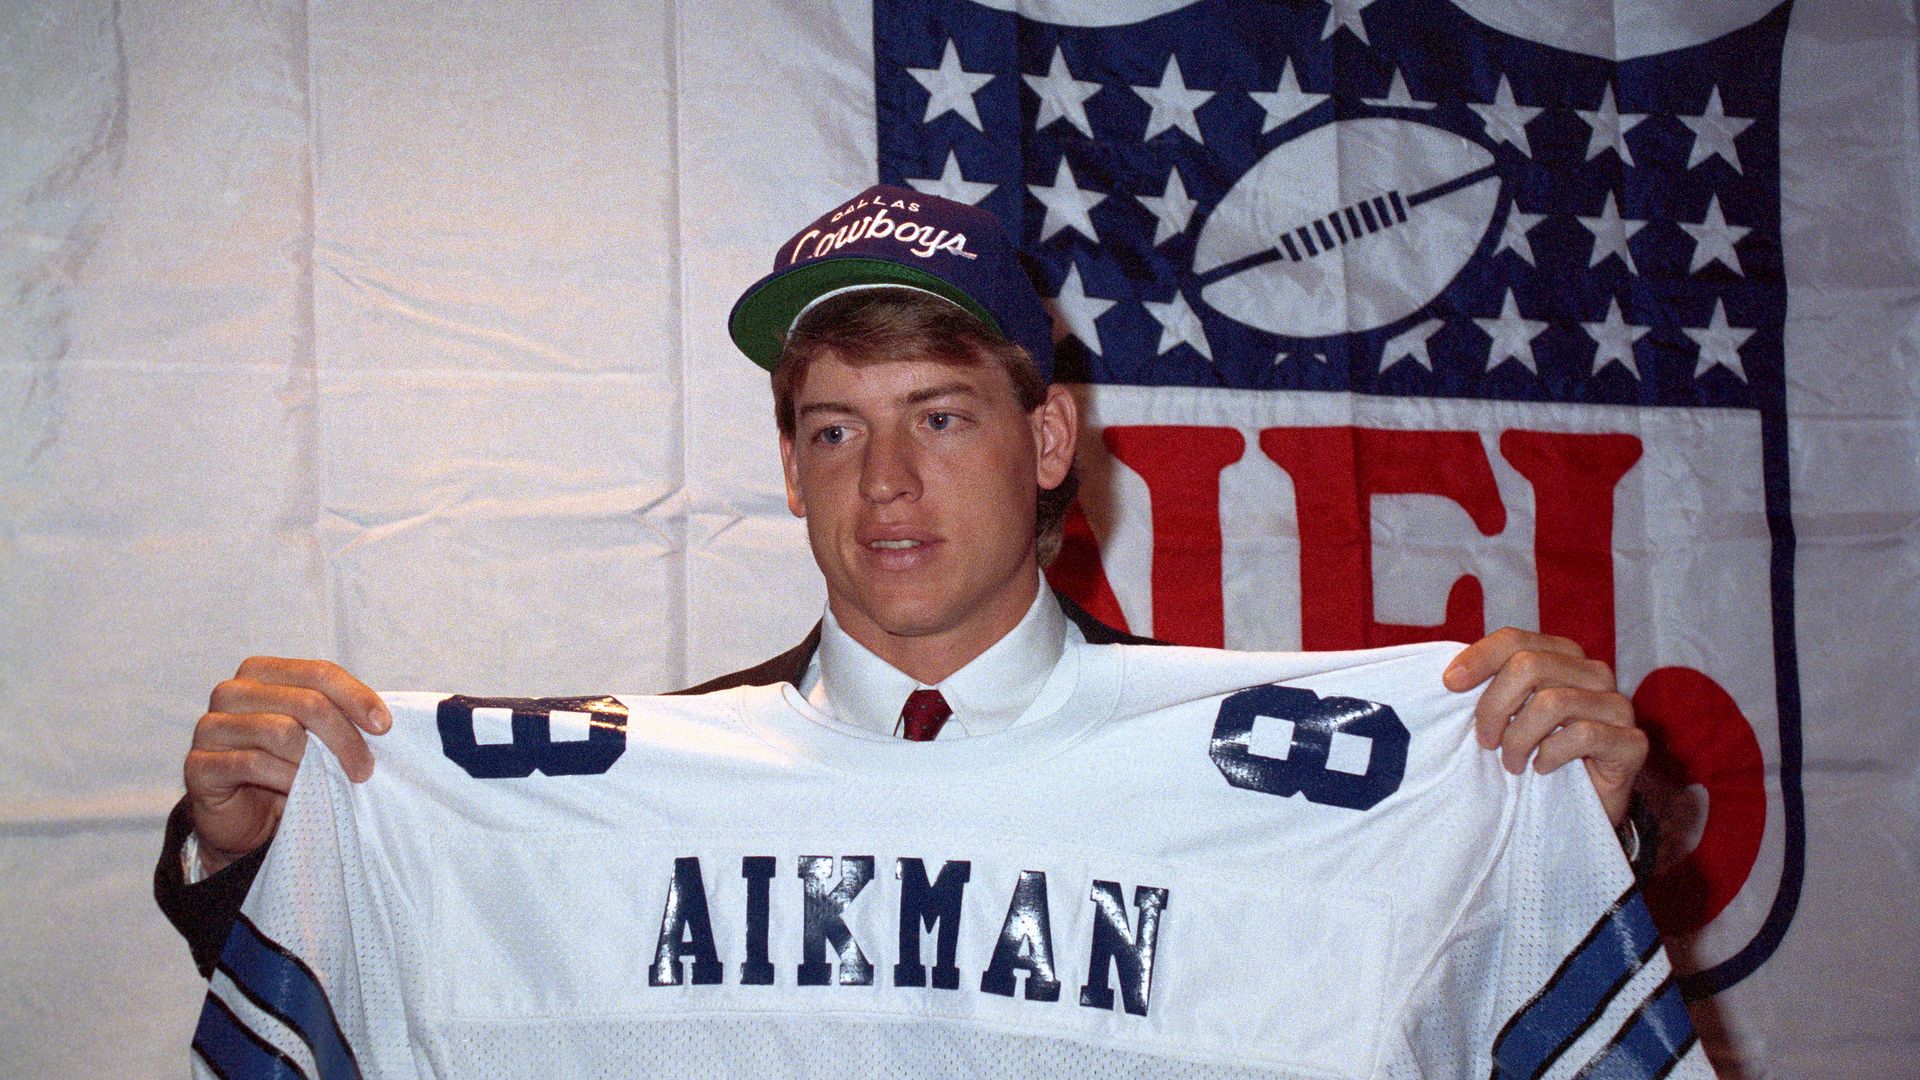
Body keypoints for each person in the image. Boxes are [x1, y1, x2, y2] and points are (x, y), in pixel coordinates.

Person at [154, 185, 1651, 979]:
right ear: (790, 467)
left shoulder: (1266, 773)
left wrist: (1556, 827)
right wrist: (259, 847)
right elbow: (418, 974)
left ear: (1049, 437)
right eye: (833, 430)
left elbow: (1463, 982)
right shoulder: (646, 777)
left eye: (940, 416)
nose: (884, 485)